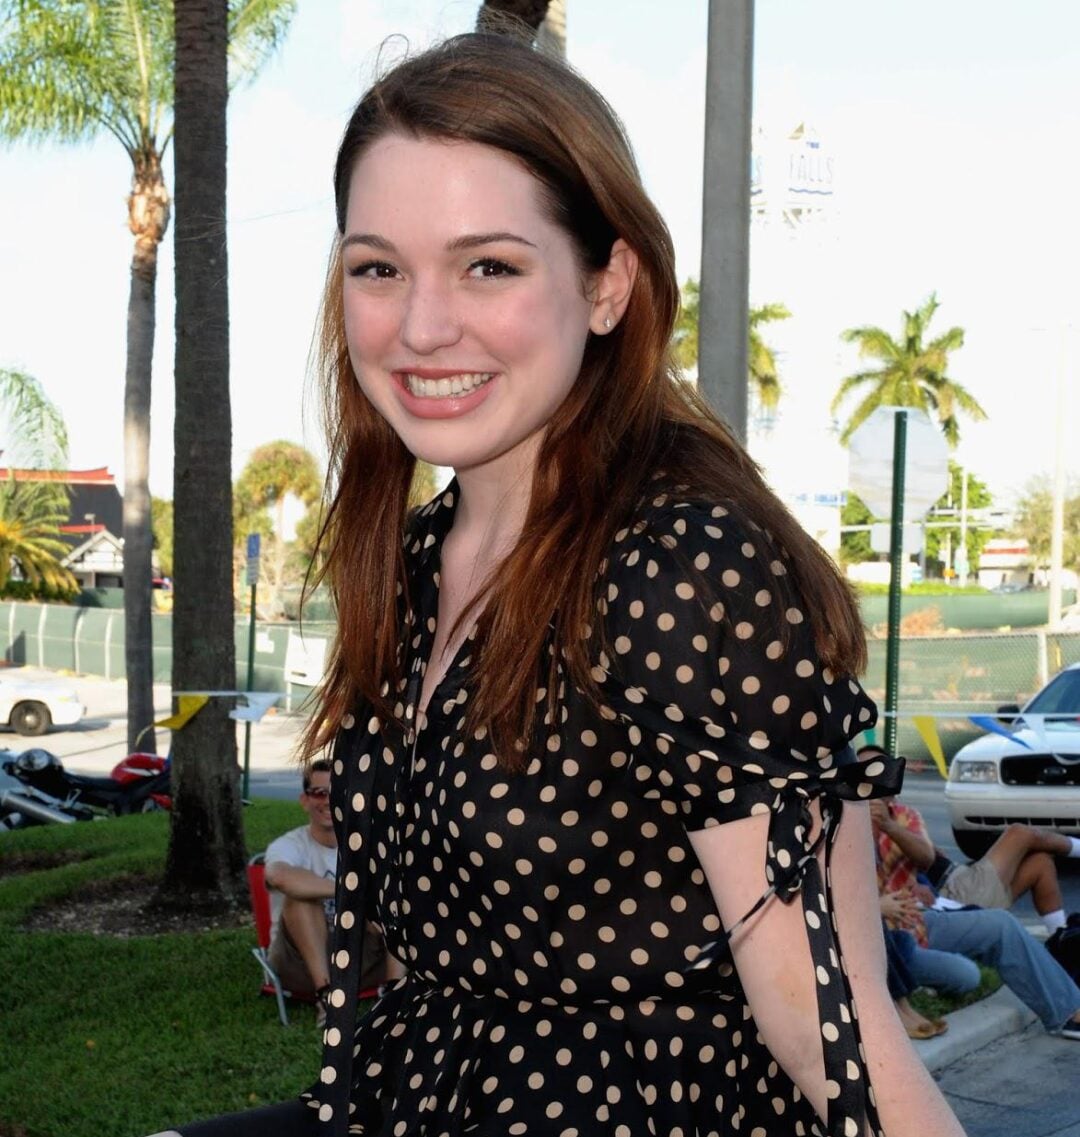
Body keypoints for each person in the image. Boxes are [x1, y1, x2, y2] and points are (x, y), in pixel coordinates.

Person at [158, 31, 966, 1137]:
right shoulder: (410, 561)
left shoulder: (682, 568)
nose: (422, 324)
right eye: (378, 267)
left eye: (489, 264)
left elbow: (825, 1018)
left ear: (607, 283)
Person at [869, 782, 1080, 1040]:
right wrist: (876, 907)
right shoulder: (836, 823)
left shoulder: (901, 815)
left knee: (1001, 924)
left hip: (920, 917)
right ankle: (906, 992)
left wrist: (890, 828)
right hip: (878, 934)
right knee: (965, 975)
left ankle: (1068, 1012)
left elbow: (926, 859)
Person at [868, 762, 1080, 934]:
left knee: (1041, 862)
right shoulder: (870, 822)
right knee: (1019, 833)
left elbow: (928, 856)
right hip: (954, 892)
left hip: (959, 880)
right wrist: (889, 825)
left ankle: (1059, 940)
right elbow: (924, 860)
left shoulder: (904, 815)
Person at [263, 759, 396, 1021]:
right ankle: (328, 999)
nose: (328, 801)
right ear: (305, 800)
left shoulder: (367, 846)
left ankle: (395, 996)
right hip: (297, 962)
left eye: (338, 792)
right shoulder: (290, 844)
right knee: (300, 900)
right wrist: (351, 892)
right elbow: (278, 876)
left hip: (360, 957)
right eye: (319, 793)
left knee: (394, 897)